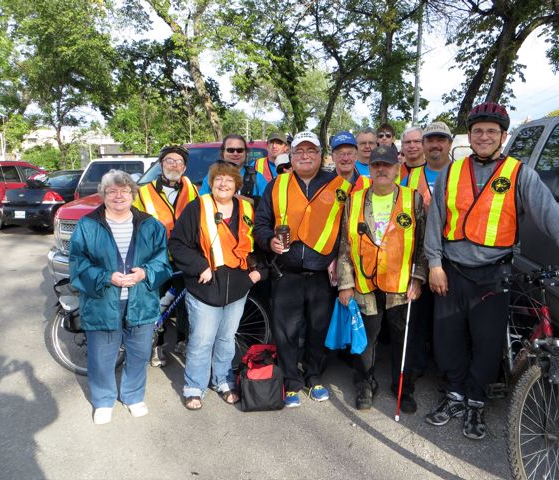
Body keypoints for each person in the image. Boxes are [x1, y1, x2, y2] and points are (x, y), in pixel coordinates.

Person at [424, 102, 559, 440]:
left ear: (503, 136)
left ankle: (476, 401)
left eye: (491, 131)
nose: (484, 136)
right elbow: (436, 222)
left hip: (493, 273)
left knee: (487, 343)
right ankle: (455, 395)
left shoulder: (519, 173)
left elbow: (548, 212)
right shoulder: (452, 171)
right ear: (470, 137)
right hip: (452, 270)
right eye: (478, 131)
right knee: (447, 340)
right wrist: (434, 264)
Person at [254, 131, 351, 408]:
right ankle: (291, 381)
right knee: (285, 331)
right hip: (287, 272)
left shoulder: (341, 185)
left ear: (321, 156)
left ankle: (314, 376)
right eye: (299, 151)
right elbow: (261, 223)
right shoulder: (276, 185)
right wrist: (268, 240)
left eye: (311, 151)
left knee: (319, 328)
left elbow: (348, 230)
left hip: (323, 273)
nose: (305, 156)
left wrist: (338, 259)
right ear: (291, 156)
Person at [69, 170, 172, 425]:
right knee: (102, 355)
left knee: (138, 352)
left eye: (124, 190)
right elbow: (78, 263)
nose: (118, 196)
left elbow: (163, 263)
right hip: (103, 299)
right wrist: (106, 277)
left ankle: (133, 396)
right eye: (112, 191)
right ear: (103, 194)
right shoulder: (88, 225)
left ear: (133, 195)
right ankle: (103, 400)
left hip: (140, 299)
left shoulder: (151, 224)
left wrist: (145, 273)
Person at [169, 162, 266, 410]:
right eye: (218, 179)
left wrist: (257, 274)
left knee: (226, 338)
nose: (223, 184)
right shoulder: (197, 208)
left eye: (229, 180)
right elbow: (178, 244)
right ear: (210, 183)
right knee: (202, 340)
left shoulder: (247, 209)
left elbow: (259, 244)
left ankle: (223, 380)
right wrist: (199, 265)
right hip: (205, 287)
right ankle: (194, 387)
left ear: (237, 186)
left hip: (238, 287)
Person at [337, 145, 427, 411]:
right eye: (376, 165)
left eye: (386, 165)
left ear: (397, 169)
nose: (381, 169)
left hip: (401, 286)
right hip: (365, 284)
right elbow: (344, 244)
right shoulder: (355, 200)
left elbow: (423, 244)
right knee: (365, 341)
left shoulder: (413, 199)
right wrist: (346, 283)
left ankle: (403, 387)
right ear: (370, 169)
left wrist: (418, 278)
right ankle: (365, 383)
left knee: (403, 340)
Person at [133, 145, 199, 367]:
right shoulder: (143, 192)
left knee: (184, 303)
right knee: (157, 304)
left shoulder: (193, 190)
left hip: (184, 256)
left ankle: (182, 341)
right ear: (160, 164)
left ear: (185, 167)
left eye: (179, 162)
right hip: (156, 259)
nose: (174, 165)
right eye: (170, 160)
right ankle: (157, 346)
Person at [402, 122, 454, 384]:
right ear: (423, 145)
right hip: (420, 255)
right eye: (430, 140)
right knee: (419, 315)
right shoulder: (410, 176)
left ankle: (446, 370)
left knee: (447, 319)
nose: (435, 144)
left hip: (453, 255)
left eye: (441, 139)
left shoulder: (461, 173)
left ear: (449, 143)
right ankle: (416, 364)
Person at [199, 134, 268, 203]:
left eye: (240, 150)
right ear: (223, 152)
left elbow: (267, 205)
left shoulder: (257, 177)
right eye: (230, 150)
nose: (235, 153)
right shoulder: (211, 176)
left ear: (246, 153)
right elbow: (202, 203)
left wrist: (246, 201)